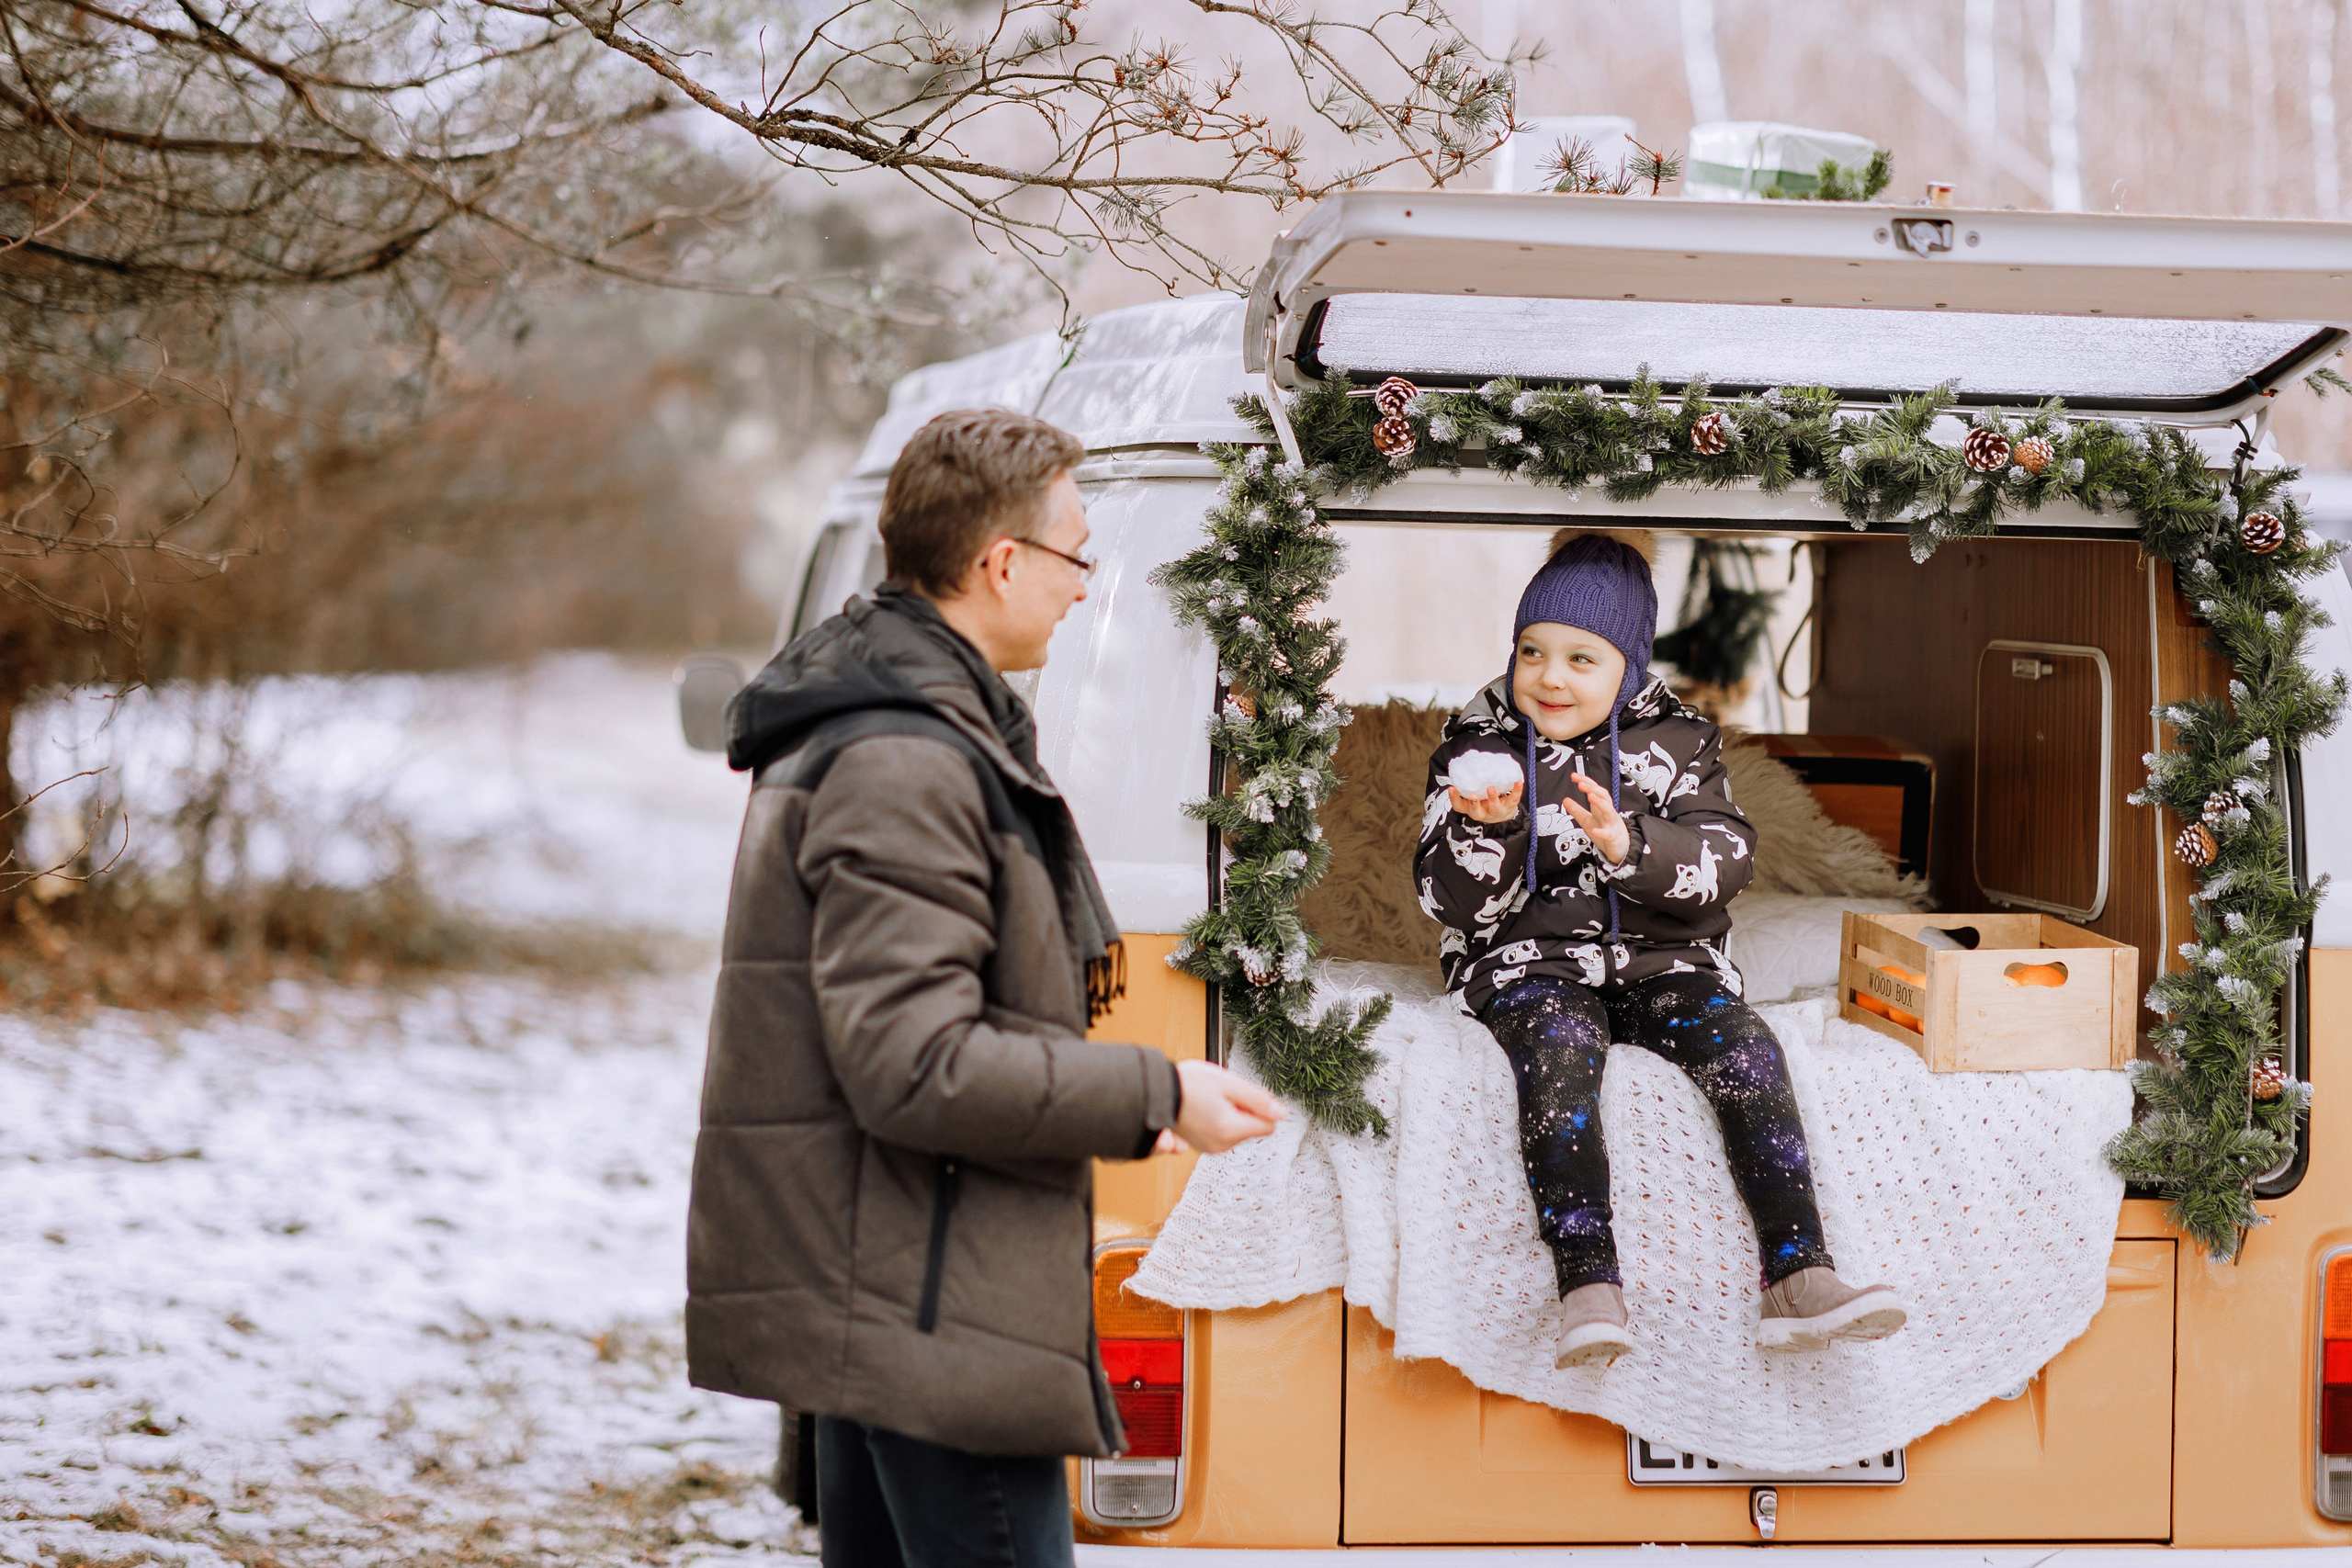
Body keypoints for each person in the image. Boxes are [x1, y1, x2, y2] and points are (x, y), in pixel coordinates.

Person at [687, 408, 1281, 1565]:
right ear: (999, 562)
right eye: (1074, 555)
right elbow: (915, 1065)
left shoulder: (902, 722)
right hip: (935, 1302)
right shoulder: (904, 761)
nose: (1080, 587)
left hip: (892, 1280)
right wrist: (1155, 1093)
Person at [1413, 530, 1905, 1370]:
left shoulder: (1680, 745)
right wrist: (1479, 834)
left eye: (1580, 658)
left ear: (1630, 669)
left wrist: (1628, 845)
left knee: (1749, 1050)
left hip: (1663, 962)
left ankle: (1797, 1273)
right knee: (1559, 1053)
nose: (1549, 676)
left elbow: (1724, 863)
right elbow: (1445, 900)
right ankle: (1586, 1283)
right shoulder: (1478, 748)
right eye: (1532, 652)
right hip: (1532, 966)